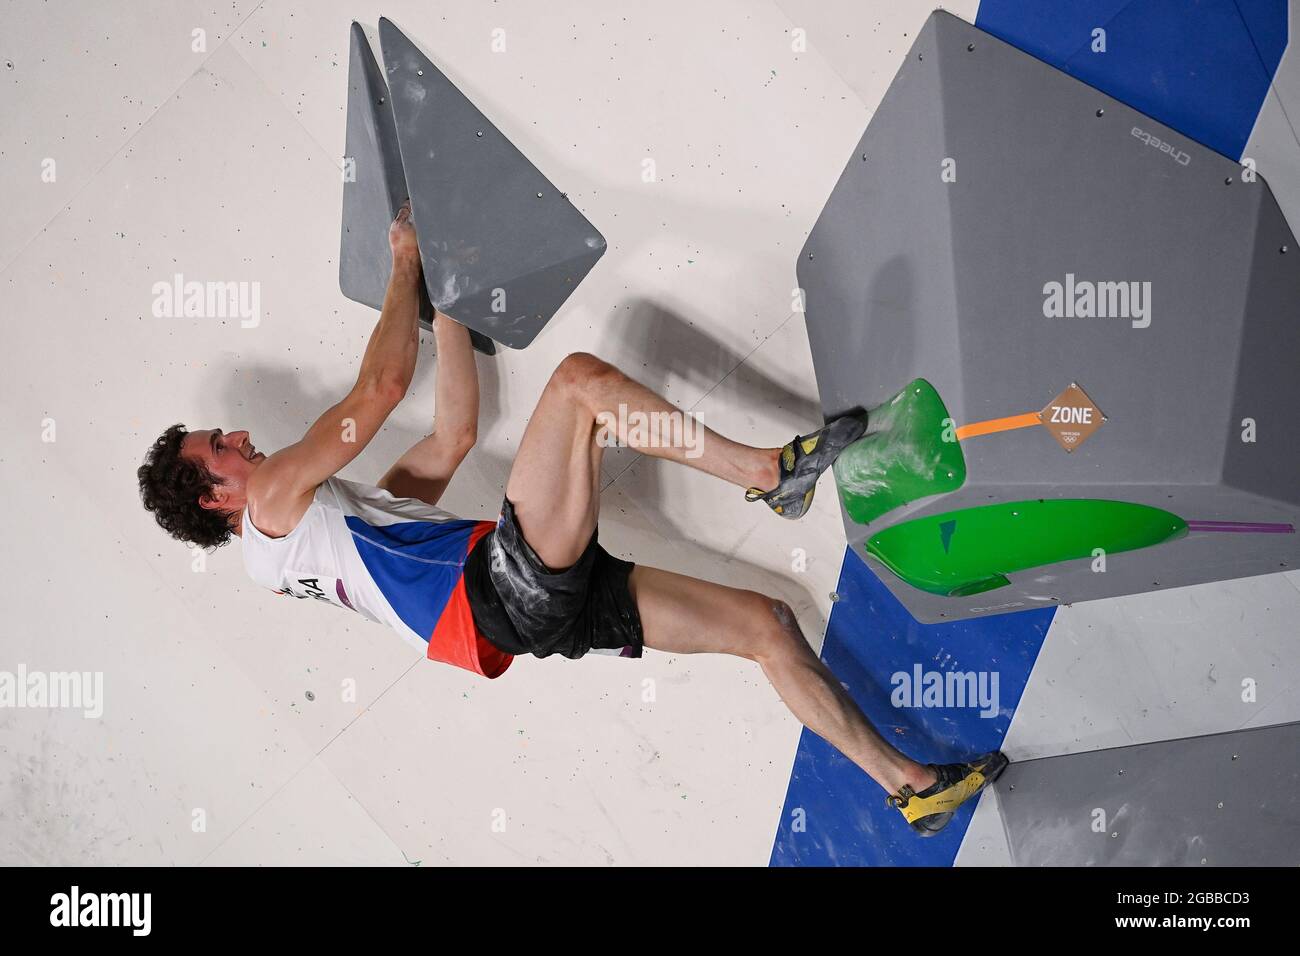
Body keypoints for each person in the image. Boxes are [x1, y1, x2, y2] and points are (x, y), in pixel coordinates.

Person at [137, 203, 1005, 836]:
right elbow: (381, 390)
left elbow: (452, 436)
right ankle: (766, 475)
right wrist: (402, 261)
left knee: (765, 627)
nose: (241, 438)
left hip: (522, 616)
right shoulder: (275, 503)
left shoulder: (327, 532)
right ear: (216, 497)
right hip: (500, 594)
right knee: (581, 385)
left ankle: (912, 787)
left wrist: (447, 305)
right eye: (221, 448)